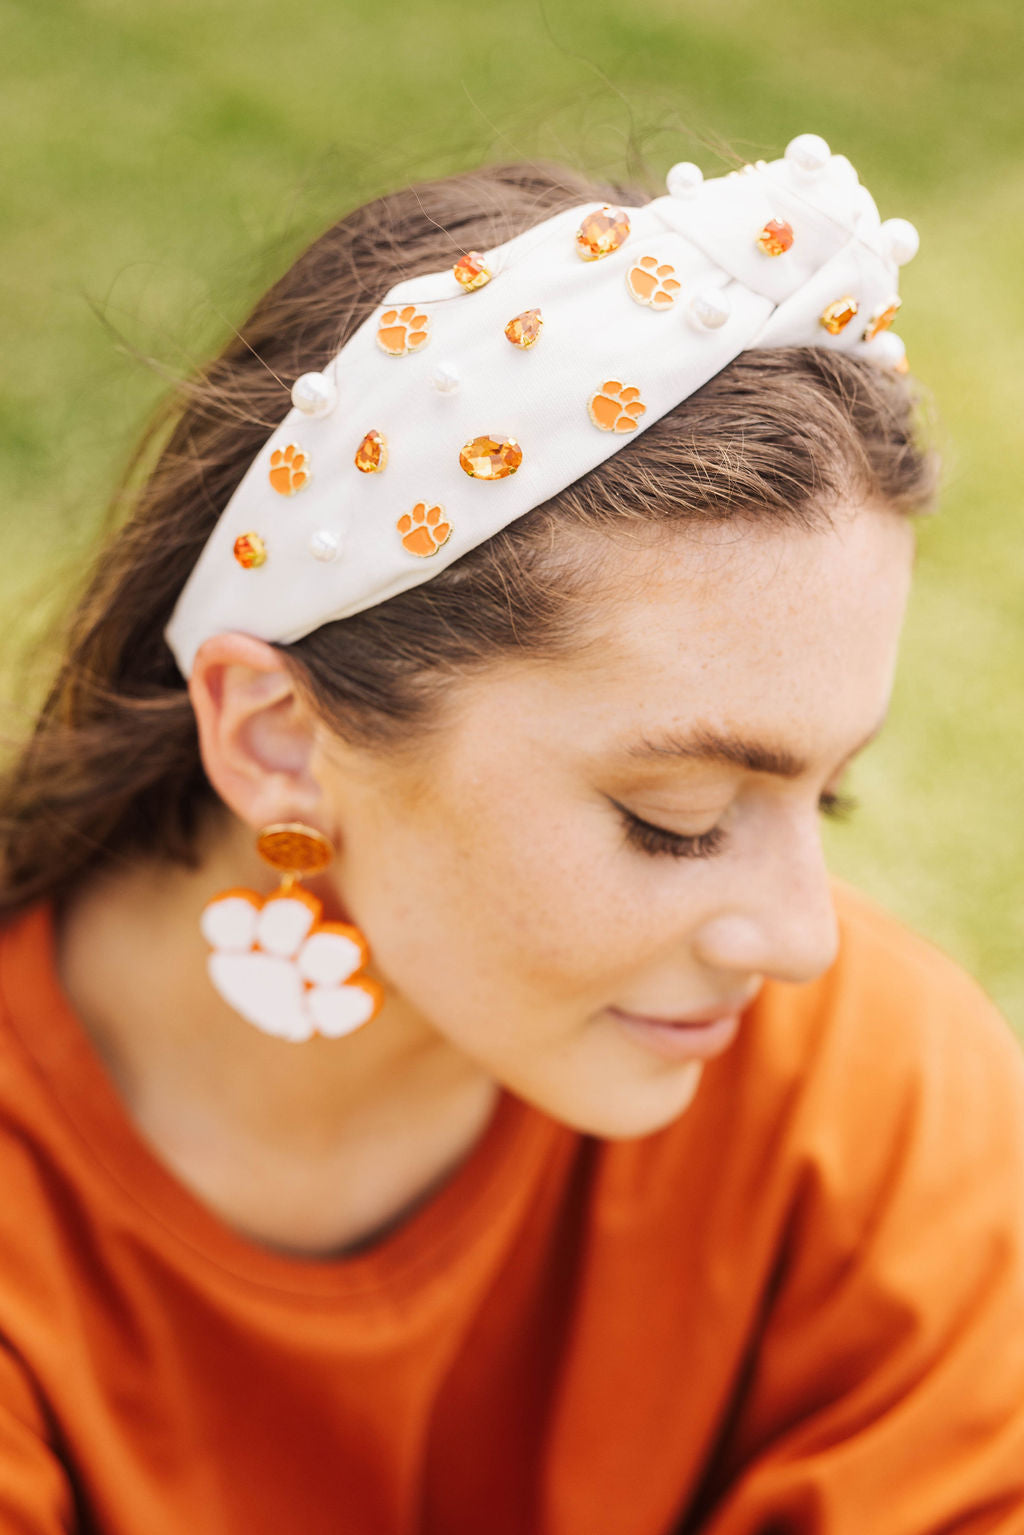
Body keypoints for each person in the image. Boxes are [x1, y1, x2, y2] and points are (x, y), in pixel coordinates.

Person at [1, 134, 1022, 1535]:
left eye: (824, 798)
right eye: (679, 819)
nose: (801, 940)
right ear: (278, 739)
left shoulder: (876, 1114)